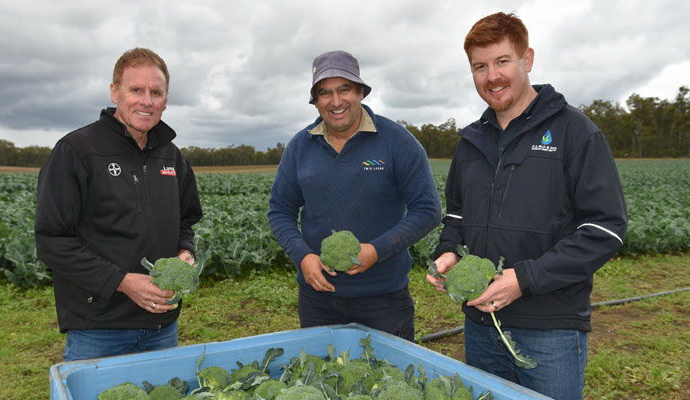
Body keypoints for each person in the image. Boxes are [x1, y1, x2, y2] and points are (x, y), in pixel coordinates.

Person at [427, 12, 628, 400]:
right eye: (480, 67)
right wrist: (448, 251)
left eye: (502, 61)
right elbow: (456, 215)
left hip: (550, 327)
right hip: (480, 324)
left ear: (527, 60)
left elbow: (605, 228)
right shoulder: (470, 142)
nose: (492, 76)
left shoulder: (576, 133)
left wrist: (525, 279)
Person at [34, 47, 203, 361]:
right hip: (99, 327)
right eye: (136, 90)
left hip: (162, 326)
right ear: (115, 92)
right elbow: (51, 240)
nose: (146, 101)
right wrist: (123, 282)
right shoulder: (76, 151)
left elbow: (185, 222)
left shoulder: (173, 158)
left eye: (156, 92)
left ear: (166, 99)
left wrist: (185, 252)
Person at [268, 50, 441, 341]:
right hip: (317, 300)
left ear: (360, 91)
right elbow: (279, 211)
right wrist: (303, 257)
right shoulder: (300, 146)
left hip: (384, 298)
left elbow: (427, 210)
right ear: (316, 100)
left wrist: (376, 250)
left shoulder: (396, 141)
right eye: (325, 93)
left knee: (389, 382)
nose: (335, 102)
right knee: (321, 380)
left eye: (344, 89)